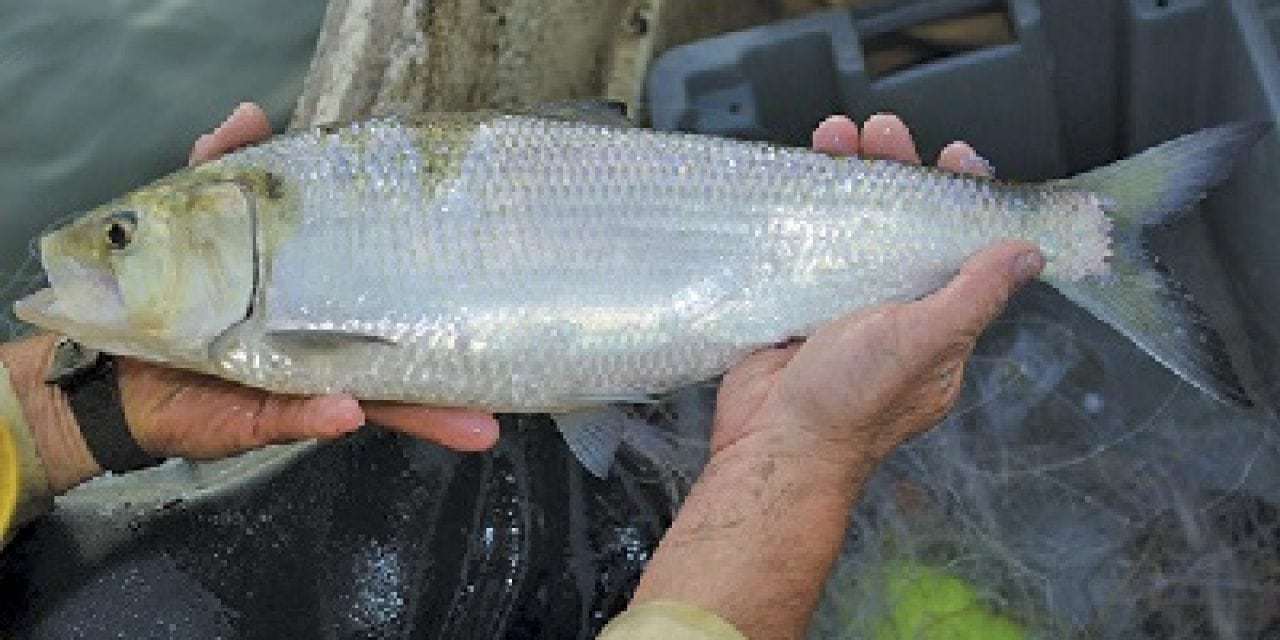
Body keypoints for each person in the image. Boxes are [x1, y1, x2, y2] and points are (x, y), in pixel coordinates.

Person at [0, 103, 1043, 639]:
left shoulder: (254, 324)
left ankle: (1053, 229)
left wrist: (54, 416)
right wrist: (808, 452)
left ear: (228, 220)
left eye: (123, 236)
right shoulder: (247, 324)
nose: (95, 255)